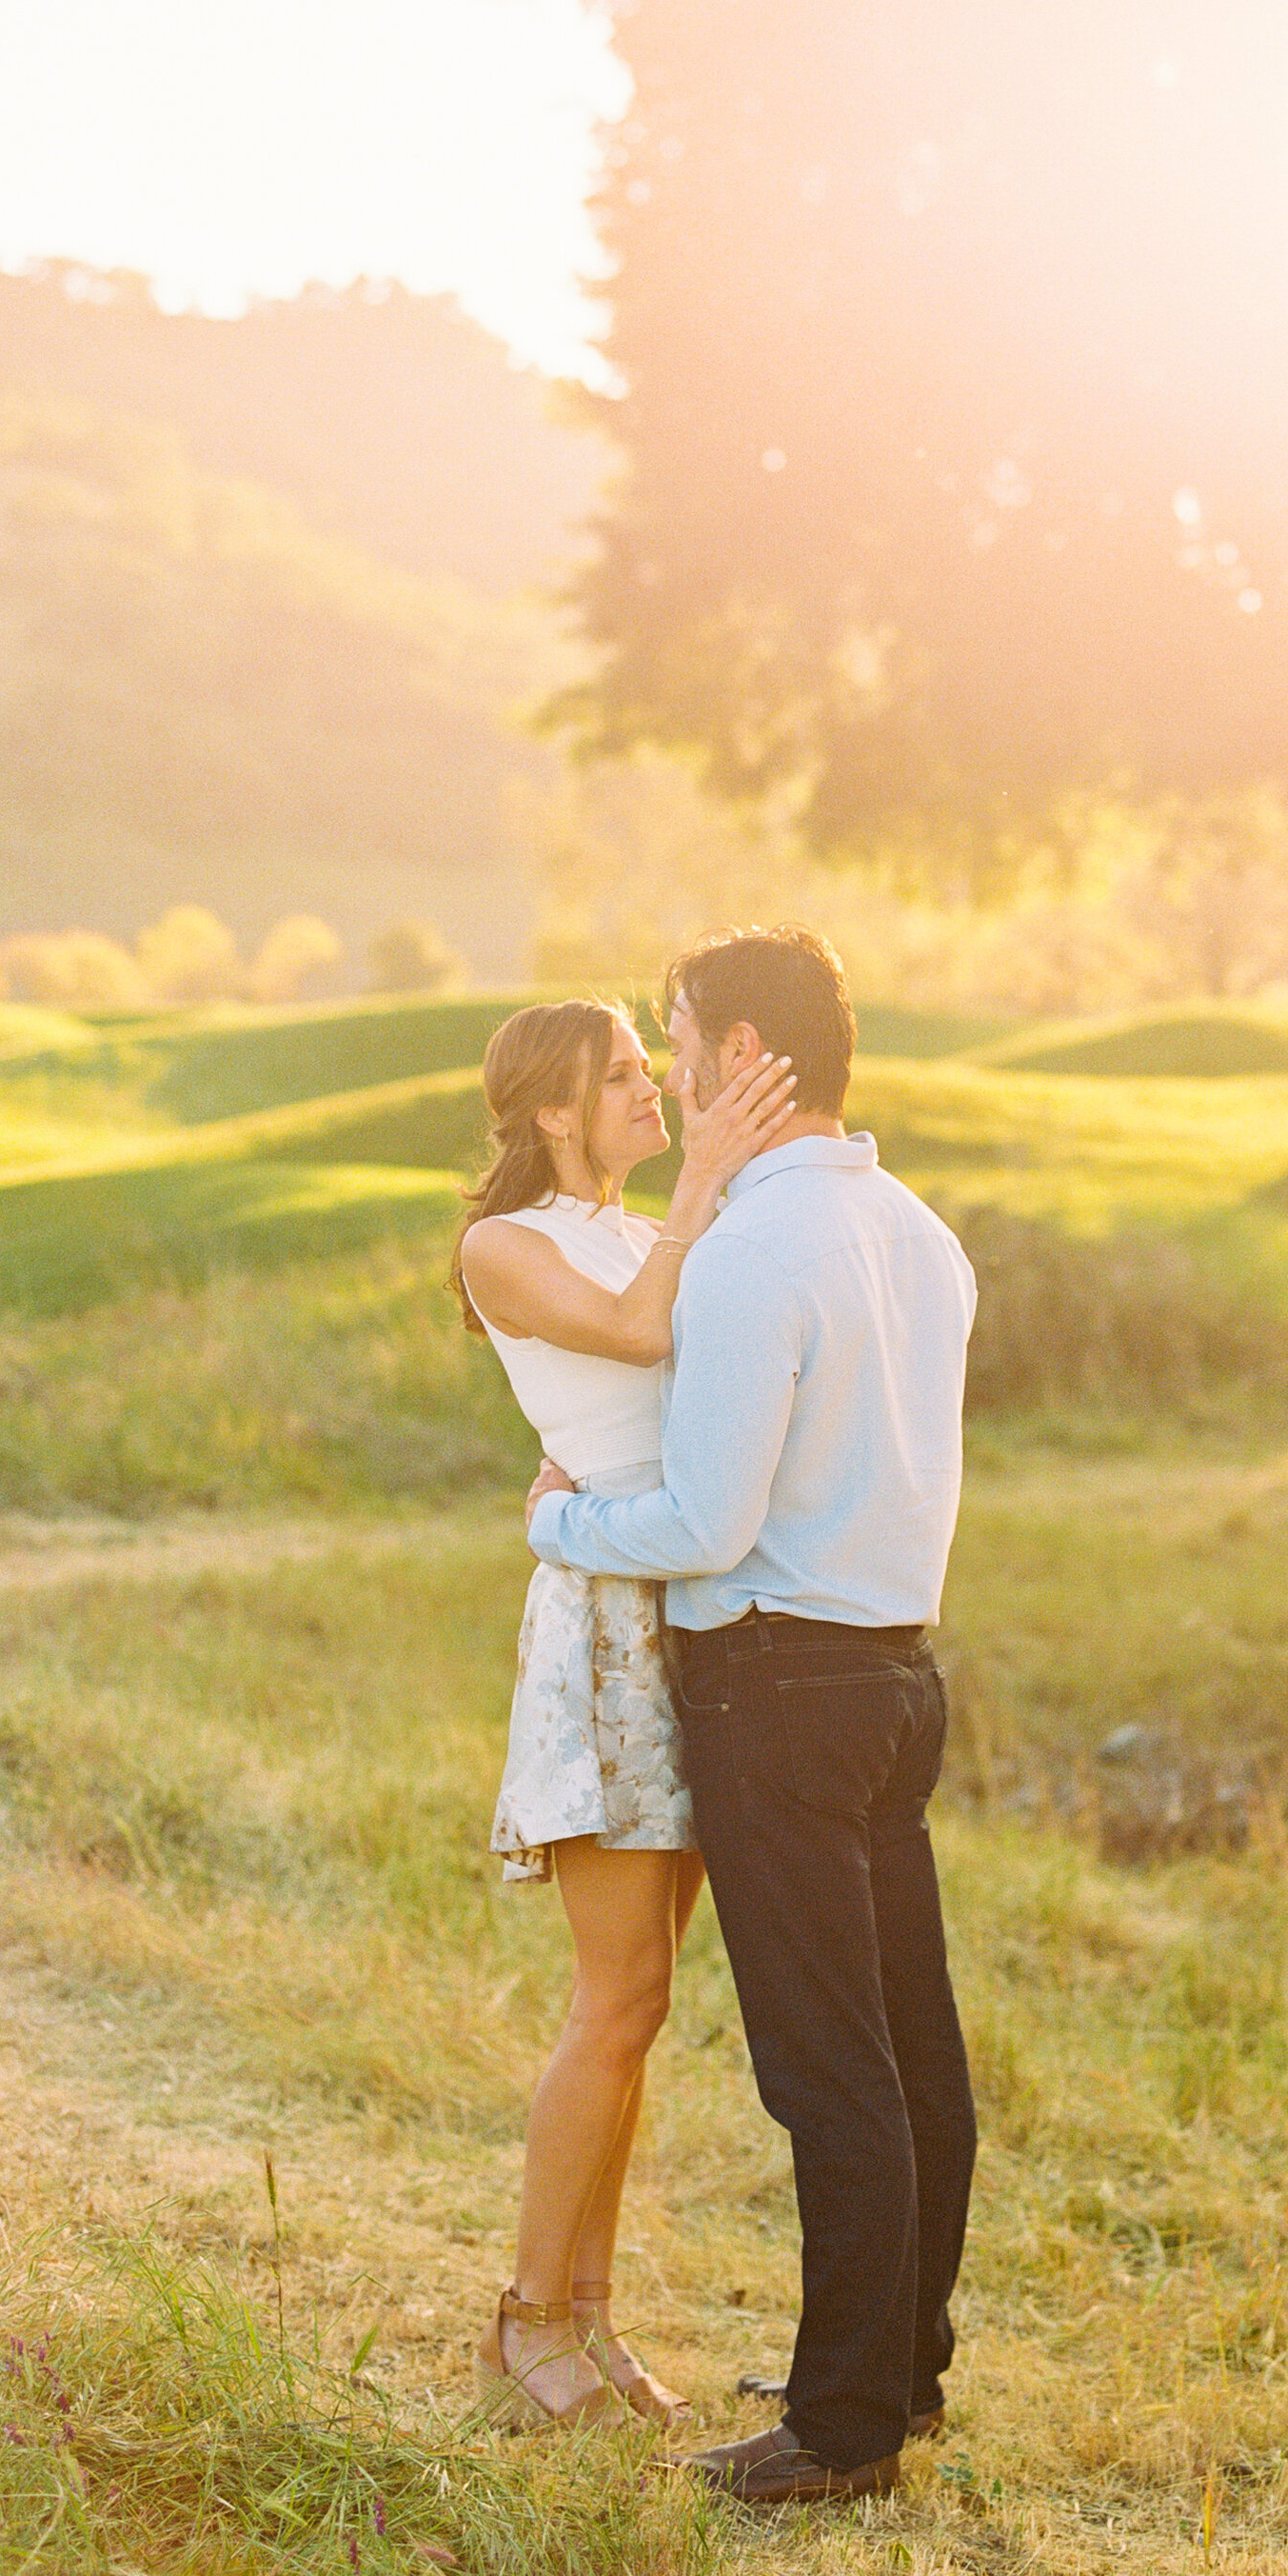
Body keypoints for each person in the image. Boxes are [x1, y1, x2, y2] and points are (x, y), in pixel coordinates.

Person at [526, 927, 980, 2506]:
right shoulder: (921, 1234)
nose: (670, 1061)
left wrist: (559, 1525)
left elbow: (706, 1522)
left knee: (828, 2064)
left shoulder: (751, 1253)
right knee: (914, 2047)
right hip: (899, 1677)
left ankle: (842, 2426)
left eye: (678, 1035)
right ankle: (900, 2374)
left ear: (739, 1060)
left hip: (777, 1689)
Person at [455, 997, 796, 2430]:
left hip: (685, 1604)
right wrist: (702, 1184)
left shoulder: (639, 1222)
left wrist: (700, 1194)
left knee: (648, 2005)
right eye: (621, 1079)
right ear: (548, 1110)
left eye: (655, 1074)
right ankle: (525, 2320)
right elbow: (643, 1334)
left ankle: (591, 2321)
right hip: (602, 1624)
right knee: (615, 1999)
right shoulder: (506, 1245)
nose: (654, 1094)